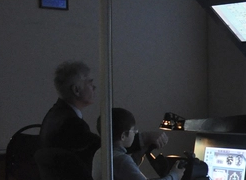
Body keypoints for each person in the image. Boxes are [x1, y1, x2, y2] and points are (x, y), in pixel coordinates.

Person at [39, 60, 169, 168]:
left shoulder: (56, 115)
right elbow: (105, 151)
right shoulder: (71, 123)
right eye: (90, 82)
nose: (94, 87)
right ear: (76, 90)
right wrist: (143, 138)